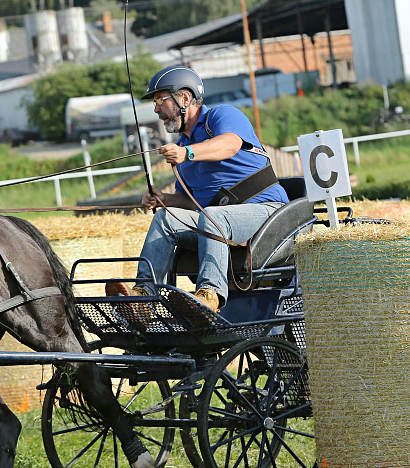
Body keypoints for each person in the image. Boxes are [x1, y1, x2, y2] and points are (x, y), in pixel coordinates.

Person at [113, 65, 289, 311]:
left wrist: (188, 153)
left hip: (267, 212)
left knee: (213, 216)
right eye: (155, 103)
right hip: (217, 221)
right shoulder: (182, 146)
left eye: (160, 100)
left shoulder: (221, 116)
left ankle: (210, 295)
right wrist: (164, 199)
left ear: (184, 98)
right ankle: (144, 296)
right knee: (165, 218)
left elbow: (229, 144)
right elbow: (191, 203)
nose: (156, 109)